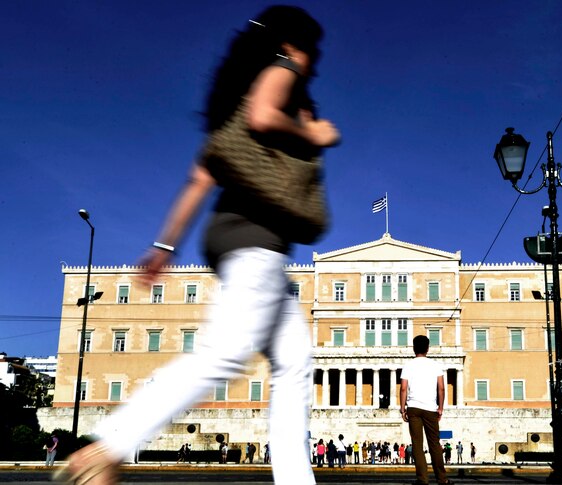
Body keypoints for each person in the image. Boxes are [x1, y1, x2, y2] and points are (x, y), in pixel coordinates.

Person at [56, 6, 339, 485]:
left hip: (238, 237)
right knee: (224, 353)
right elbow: (264, 115)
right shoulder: (283, 70)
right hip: (256, 238)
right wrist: (311, 131)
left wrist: (165, 244)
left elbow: (199, 177)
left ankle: (296, 478)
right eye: (314, 50)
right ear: (296, 45)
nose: (315, 61)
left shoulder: (233, 109)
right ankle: (108, 447)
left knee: (295, 363)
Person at [400, 335, 452, 485]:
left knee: (417, 444)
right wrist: (440, 408)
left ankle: (422, 479)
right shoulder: (435, 365)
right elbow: (441, 388)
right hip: (430, 408)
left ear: (414, 348)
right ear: (428, 348)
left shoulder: (408, 365)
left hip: (414, 408)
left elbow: (403, 388)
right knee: (434, 444)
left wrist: (403, 409)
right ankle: (442, 479)